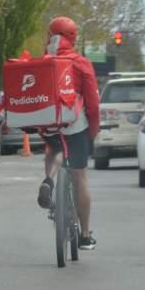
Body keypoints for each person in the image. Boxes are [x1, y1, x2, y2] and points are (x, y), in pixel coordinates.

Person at [36, 16, 100, 250]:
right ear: (73, 38)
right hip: (75, 125)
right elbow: (92, 104)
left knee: (54, 148)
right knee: (79, 176)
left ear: (49, 35)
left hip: (48, 124)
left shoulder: (42, 62)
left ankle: (49, 179)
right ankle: (84, 236)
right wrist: (92, 133)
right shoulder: (81, 63)